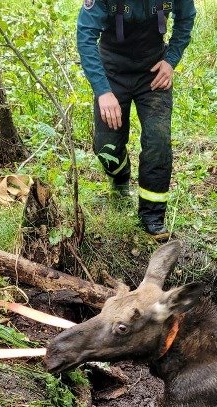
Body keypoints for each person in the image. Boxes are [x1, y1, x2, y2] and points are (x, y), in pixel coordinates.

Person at [77, 0, 196, 241]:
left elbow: (186, 19)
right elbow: (85, 37)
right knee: (106, 149)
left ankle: (152, 215)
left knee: (158, 141)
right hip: (111, 74)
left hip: (153, 73)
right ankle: (120, 178)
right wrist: (102, 91)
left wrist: (171, 60)